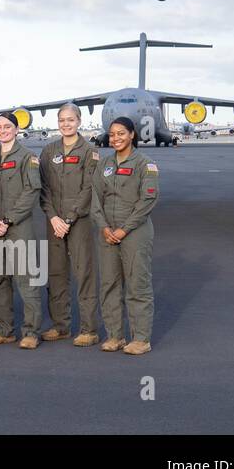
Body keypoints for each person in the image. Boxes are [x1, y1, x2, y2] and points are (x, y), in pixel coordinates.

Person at [91, 116, 158, 355]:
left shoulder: (145, 164)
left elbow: (147, 201)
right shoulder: (104, 164)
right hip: (107, 232)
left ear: (132, 135)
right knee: (109, 284)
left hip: (135, 234)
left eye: (121, 133)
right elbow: (95, 198)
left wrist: (124, 229)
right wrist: (103, 226)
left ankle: (140, 338)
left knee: (137, 285)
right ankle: (115, 335)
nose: (116, 138)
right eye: (112, 134)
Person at [0, 114, 44, 348]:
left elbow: (32, 191)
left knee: (27, 280)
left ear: (16, 130)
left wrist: (8, 219)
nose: (3, 130)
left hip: (19, 228)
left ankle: (31, 332)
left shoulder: (28, 158)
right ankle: (4, 329)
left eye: (7, 127)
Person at [39, 103, 102, 346]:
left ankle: (89, 329)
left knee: (84, 273)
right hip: (54, 222)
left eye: (70, 120)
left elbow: (89, 188)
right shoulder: (48, 151)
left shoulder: (89, 151)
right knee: (56, 274)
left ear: (79, 121)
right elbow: (43, 189)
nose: (66, 124)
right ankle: (60, 326)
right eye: (62, 120)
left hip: (79, 222)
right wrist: (53, 217)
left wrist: (68, 219)